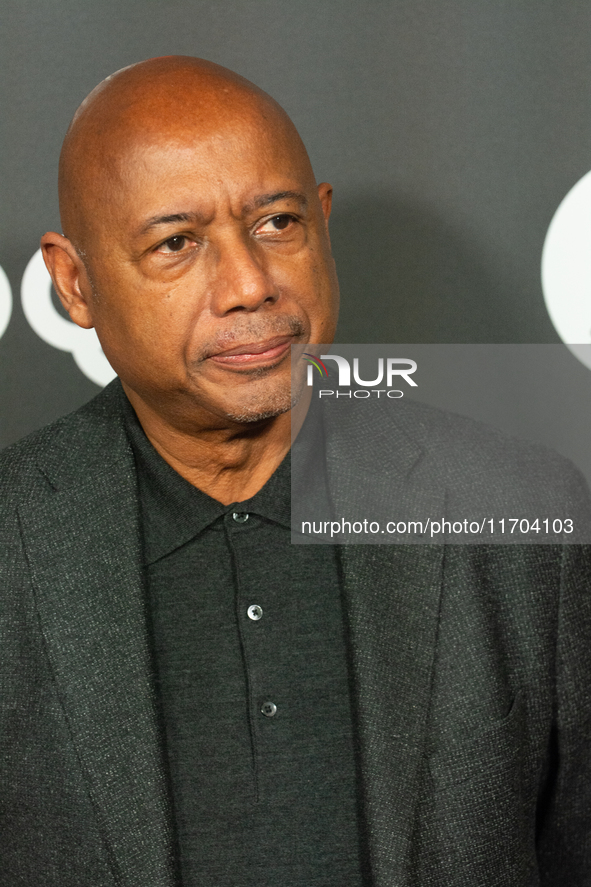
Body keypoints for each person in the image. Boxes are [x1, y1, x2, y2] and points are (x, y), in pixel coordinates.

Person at [0, 56, 589, 887]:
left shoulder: (517, 511)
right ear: (74, 281)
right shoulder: (14, 542)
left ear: (321, 220)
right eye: (177, 242)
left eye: (276, 224)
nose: (249, 284)